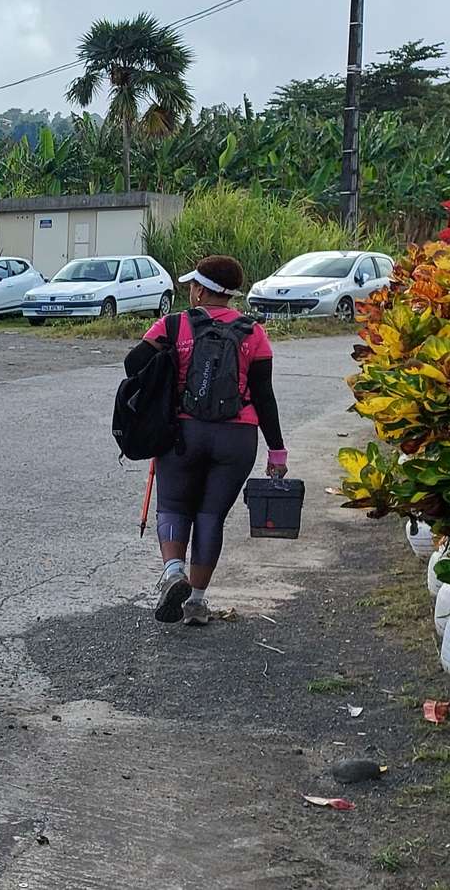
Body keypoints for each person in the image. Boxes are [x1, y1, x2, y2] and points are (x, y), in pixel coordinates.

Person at [123, 255, 287, 627]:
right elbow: (264, 396)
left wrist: (170, 360)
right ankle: (196, 603)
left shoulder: (173, 324)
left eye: (192, 285)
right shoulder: (254, 332)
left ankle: (173, 572)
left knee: (174, 506)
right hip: (237, 438)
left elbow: (133, 365)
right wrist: (277, 451)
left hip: (183, 433)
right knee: (211, 516)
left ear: (199, 290)